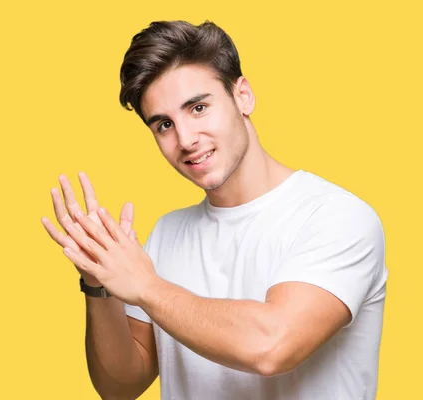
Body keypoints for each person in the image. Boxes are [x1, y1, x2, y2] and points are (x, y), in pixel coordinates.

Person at [41, 20, 388, 400]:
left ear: (243, 96)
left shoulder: (337, 217)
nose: (186, 139)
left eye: (199, 108)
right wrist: (99, 282)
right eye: (164, 125)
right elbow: (119, 386)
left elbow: (273, 345)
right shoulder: (169, 232)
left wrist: (146, 287)